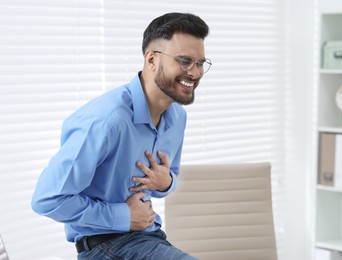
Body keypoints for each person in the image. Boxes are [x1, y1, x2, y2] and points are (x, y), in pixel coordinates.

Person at [31, 12, 211, 260]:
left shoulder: (177, 117)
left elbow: (167, 181)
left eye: (200, 63)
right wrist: (124, 216)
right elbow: (48, 199)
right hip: (104, 247)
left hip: (150, 237)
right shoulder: (106, 120)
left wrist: (166, 182)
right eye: (184, 61)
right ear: (151, 59)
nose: (195, 73)